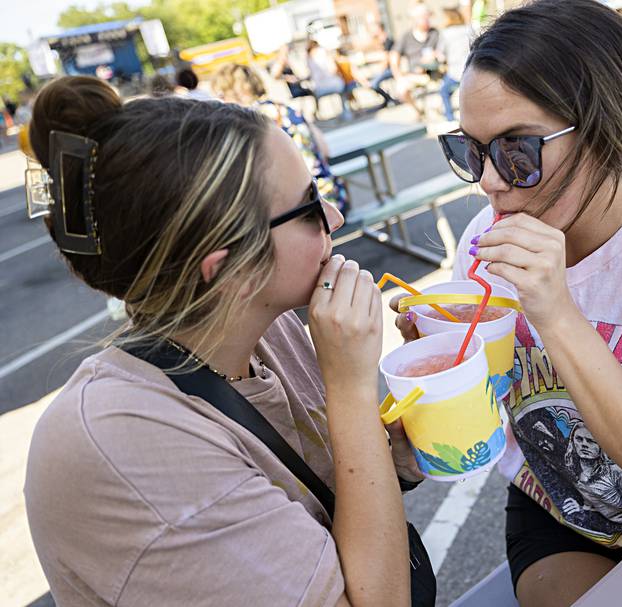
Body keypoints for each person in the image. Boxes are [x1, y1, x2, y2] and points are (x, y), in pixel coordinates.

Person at [393, 1, 622, 605]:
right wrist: (442, 374)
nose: (489, 180)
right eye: (470, 150)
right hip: (555, 508)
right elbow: (481, 413)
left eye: (518, 150)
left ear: (604, 132)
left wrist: (556, 311)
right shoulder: (484, 248)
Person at [24, 75, 421, 606]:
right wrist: (349, 387)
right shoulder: (125, 443)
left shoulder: (265, 329)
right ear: (227, 268)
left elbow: (333, 489)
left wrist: (408, 424)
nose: (335, 218)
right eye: (308, 209)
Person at [212, 63, 350, 216]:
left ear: (235, 91)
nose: (220, 102)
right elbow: (324, 149)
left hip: (303, 209)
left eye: (221, 95)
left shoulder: (248, 122)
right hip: (331, 197)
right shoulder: (286, 109)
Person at [390, 2, 440, 115]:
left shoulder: (435, 33)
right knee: (401, 89)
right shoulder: (406, 37)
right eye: (423, 17)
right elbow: (394, 55)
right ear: (415, 19)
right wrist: (398, 75)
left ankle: (434, 108)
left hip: (434, 73)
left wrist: (435, 55)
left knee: (437, 102)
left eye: (428, 16)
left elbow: (443, 52)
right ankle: (417, 110)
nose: (427, 20)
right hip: (414, 75)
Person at [436, 6, 472, 122]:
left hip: (456, 72)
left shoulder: (446, 33)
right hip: (471, 70)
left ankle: (450, 117)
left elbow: (440, 55)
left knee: (444, 91)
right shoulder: (469, 29)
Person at [306, 39, 356, 120]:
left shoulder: (308, 58)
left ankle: (316, 113)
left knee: (341, 84)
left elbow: (311, 74)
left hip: (318, 88)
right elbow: (333, 70)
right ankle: (347, 111)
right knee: (344, 84)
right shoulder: (323, 53)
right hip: (333, 85)